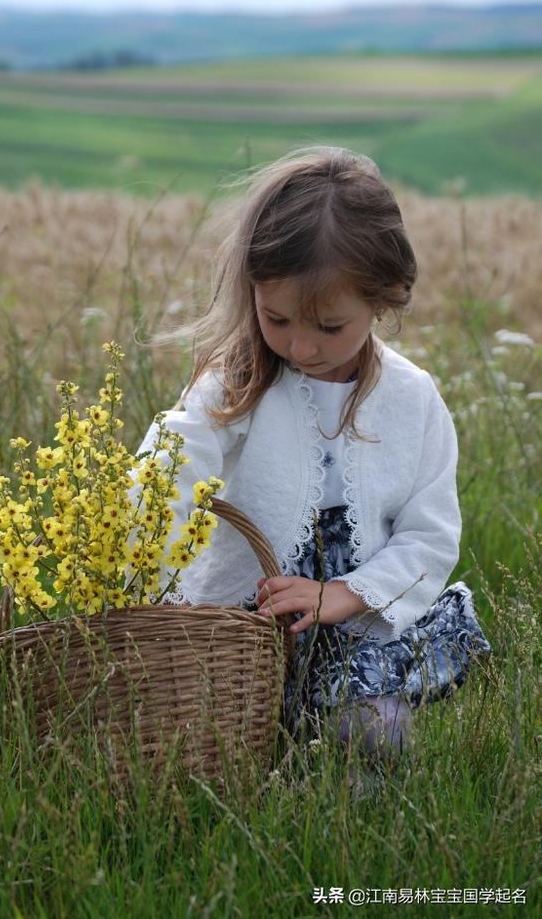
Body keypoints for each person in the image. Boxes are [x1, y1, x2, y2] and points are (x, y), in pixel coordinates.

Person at [136, 146, 491, 783]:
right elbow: (176, 459)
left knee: (376, 737)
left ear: (384, 298)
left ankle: (355, 844)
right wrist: (136, 545)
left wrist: (344, 594)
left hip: (355, 627)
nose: (301, 347)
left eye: (329, 326)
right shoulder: (237, 383)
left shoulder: (413, 401)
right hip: (241, 635)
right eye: (277, 319)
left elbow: (428, 537)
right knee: (223, 756)